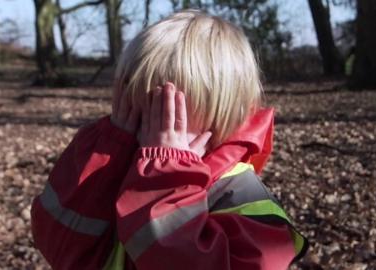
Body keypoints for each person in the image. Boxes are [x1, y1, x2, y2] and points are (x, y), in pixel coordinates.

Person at [31, 10, 308, 270]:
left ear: (221, 118)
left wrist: (167, 179)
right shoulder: (125, 163)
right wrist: (108, 147)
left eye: (165, 117)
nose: (145, 136)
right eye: (136, 115)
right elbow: (60, 246)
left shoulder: (245, 198)